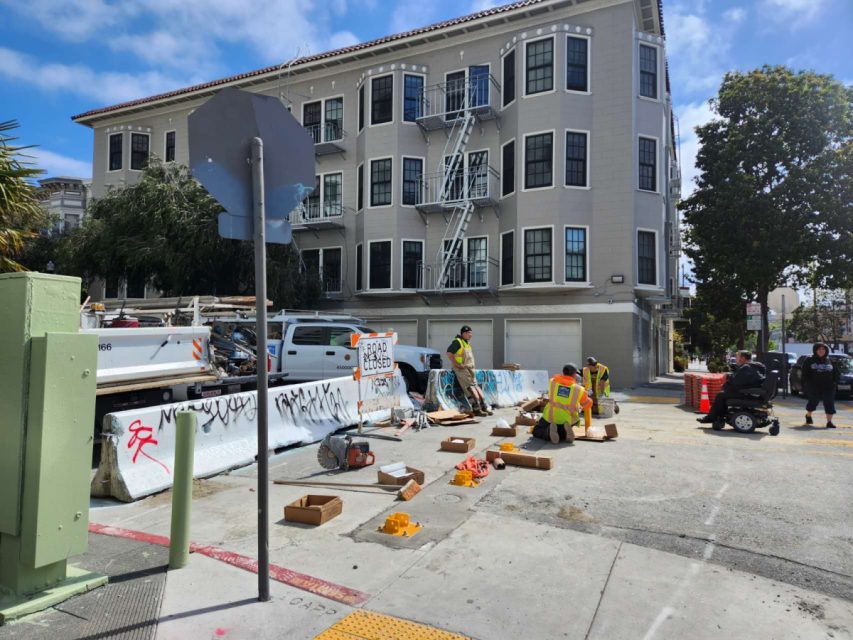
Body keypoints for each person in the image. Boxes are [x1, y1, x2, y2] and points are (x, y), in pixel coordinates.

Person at [697, 350, 766, 425]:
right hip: (754, 393)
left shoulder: (746, 367)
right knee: (723, 394)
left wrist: (726, 382)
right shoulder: (757, 366)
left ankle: (714, 417)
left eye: (737, 357)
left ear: (742, 358)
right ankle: (716, 417)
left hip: (747, 393)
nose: (736, 359)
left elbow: (735, 382)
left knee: (721, 395)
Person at [533, 363, 593, 444]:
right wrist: (589, 399)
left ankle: (548, 432)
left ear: (563, 372)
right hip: (568, 419)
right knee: (562, 429)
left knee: (536, 431)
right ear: (574, 374)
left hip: (550, 417)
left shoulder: (552, 382)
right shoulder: (579, 389)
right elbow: (586, 405)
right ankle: (565, 433)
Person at [446, 325, 492, 416]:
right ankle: (476, 409)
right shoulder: (457, 342)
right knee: (470, 389)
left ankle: (484, 407)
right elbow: (449, 353)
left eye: (471, 333)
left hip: (470, 370)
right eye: (468, 333)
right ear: (463, 333)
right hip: (462, 370)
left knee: (477, 388)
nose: (470, 335)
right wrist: (457, 364)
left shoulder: (467, 343)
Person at [802, 342, 839, 429]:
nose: (821, 351)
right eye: (819, 349)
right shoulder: (809, 360)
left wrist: (835, 382)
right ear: (815, 350)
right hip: (814, 386)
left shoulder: (830, 360)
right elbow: (805, 373)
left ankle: (829, 422)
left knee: (829, 402)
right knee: (813, 401)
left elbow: (836, 373)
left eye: (823, 349)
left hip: (829, 386)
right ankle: (808, 415)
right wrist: (806, 384)